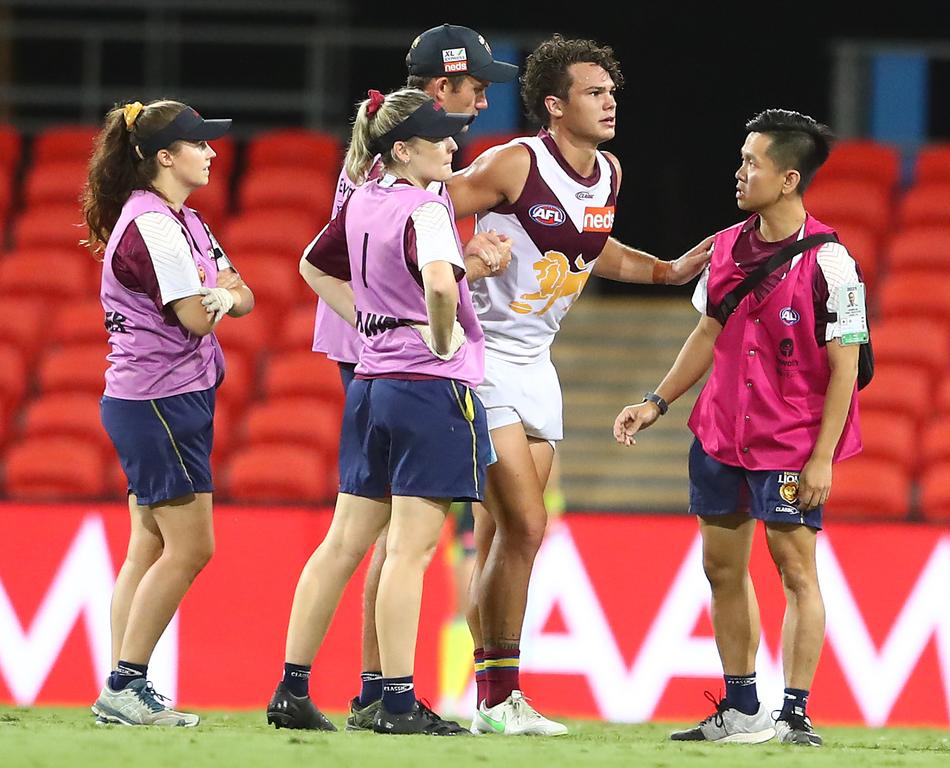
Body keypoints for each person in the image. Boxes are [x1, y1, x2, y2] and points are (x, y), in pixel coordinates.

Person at [444, 34, 713, 735]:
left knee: (506, 531)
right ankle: (500, 699)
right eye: (595, 93)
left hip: (539, 364)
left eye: (612, 92)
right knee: (527, 525)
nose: (609, 102)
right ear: (556, 105)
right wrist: (463, 254)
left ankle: (493, 702)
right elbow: (430, 206)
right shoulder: (515, 163)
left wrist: (669, 270)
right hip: (482, 355)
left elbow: (592, 250)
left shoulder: (609, 173)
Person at [288, 22, 516, 732]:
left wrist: (379, 324)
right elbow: (429, 282)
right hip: (407, 371)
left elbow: (319, 261)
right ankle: (386, 693)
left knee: (361, 537)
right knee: (400, 544)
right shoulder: (416, 188)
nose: (479, 106)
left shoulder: (373, 173)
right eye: (474, 90)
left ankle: (324, 687)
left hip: (373, 365)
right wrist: (434, 317)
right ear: (440, 89)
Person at [613, 109, 865, 747]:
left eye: (752, 162)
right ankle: (742, 708)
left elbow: (844, 370)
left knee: (795, 570)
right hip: (720, 435)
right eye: (741, 158)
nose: (739, 171)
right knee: (722, 570)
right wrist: (658, 401)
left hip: (789, 442)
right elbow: (706, 332)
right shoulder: (724, 246)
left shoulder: (835, 264)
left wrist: (822, 458)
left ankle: (796, 714)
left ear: (788, 179)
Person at [82, 99, 254, 726]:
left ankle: (119, 685)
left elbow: (246, 294)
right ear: (164, 157)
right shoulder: (155, 225)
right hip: (160, 399)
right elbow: (194, 314)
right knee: (191, 546)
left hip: (161, 396)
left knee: (147, 543)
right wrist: (220, 296)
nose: (211, 153)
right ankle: (126, 685)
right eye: (199, 144)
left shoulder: (186, 221)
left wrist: (223, 295)